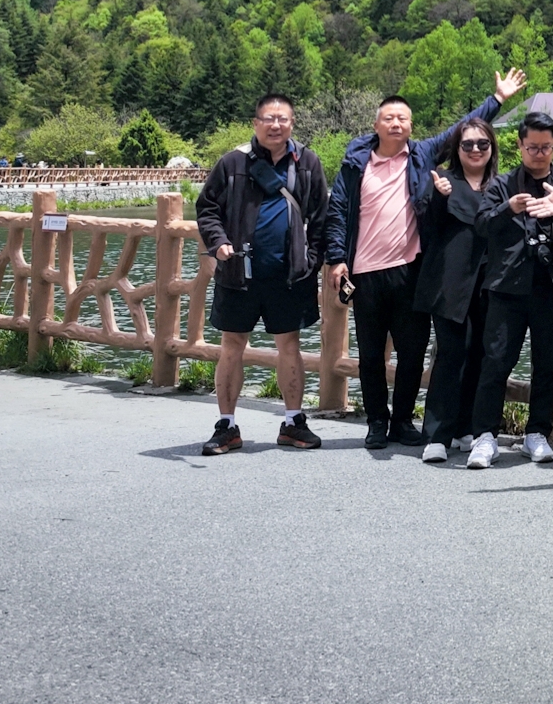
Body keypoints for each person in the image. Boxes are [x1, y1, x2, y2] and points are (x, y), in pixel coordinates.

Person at [326, 67, 526, 450]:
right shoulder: (356, 164)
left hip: (410, 270)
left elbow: (461, 132)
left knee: (413, 352)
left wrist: (498, 99)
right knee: (370, 354)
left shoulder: (420, 155)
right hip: (365, 271)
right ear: (376, 124)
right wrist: (337, 258)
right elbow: (337, 211)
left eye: (403, 118)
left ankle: (403, 420)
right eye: (389, 118)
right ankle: (376, 422)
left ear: (411, 125)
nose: (396, 124)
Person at [196, 94, 331, 454]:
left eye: (282, 119)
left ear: (292, 123)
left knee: (290, 345)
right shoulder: (232, 162)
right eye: (268, 119)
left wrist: (311, 260)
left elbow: (321, 216)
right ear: (255, 123)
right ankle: (227, 425)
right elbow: (207, 208)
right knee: (231, 345)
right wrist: (219, 242)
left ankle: (293, 422)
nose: (275, 125)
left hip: (289, 276)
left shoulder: (307, 162)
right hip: (238, 272)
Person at [467, 112, 553, 468]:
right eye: (532, 147)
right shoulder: (502, 185)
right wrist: (508, 208)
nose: (539, 153)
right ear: (519, 145)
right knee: (495, 361)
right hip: (507, 286)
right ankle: (484, 436)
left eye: (546, 147)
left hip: (551, 284)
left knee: (548, 363)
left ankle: (537, 432)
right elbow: (481, 225)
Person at [413, 115, 500, 462]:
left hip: (489, 283)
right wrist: (438, 198)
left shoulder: (501, 185)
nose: (475, 149)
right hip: (449, 282)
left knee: (481, 354)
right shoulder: (442, 180)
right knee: (451, 355)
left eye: (482, 143)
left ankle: (466, 428)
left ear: (492, 148)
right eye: (467, 144)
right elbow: (426, 227)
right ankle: (436, 434)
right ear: (456, 149)